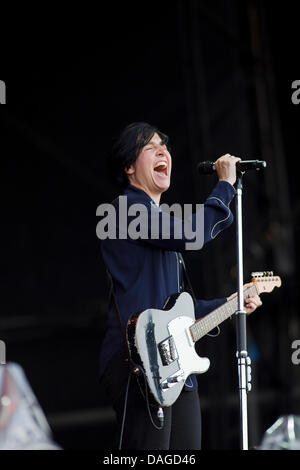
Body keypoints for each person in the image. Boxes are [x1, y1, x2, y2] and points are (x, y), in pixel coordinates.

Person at [98, 122, 262, 450]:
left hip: (174, 365)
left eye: (165, 146)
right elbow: (193, 234)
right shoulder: (126, 210)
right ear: (129, 166)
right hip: (138, 360)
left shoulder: (161, 228)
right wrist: (226, 186)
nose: (163, 152)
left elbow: (180, 313)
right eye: (150, 147)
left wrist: (231, 303)